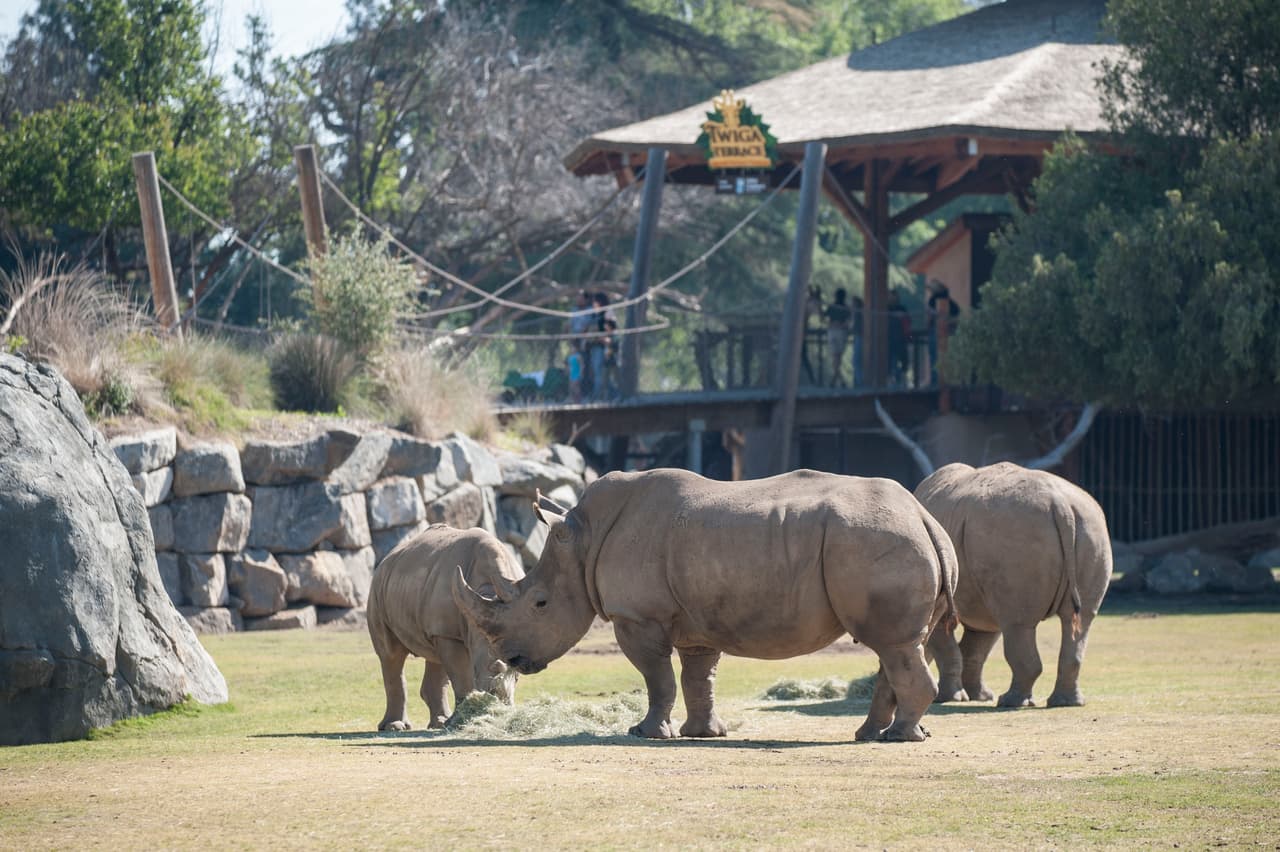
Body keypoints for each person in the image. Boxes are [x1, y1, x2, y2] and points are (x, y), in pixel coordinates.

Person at [926, 279, 960, 386]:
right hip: (945, 334)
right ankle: (940, 381)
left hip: (940, 334)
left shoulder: (935, 301)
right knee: (938, 358)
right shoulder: (950, 302)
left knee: (936, 357)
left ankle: (938, 382)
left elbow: (931, 317)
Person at [587, 292, 615, 401]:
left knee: (601, 372)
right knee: (597, 372)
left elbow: (611, 330)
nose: (593, 303)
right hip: (594, 347)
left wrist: (602, 337)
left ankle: (597, 396)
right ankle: (607, 394)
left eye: (595, 301)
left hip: (603, 347)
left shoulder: (608, 313)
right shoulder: (595, 314)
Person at [823, 288, 853, 387]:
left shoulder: (833, 306)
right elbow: (849, 322)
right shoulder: (846, 308)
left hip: (833, 332)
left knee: (835, 356)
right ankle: (839, 379)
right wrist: (841, 325)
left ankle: (836, 379)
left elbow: (823, 319)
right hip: (841, 333)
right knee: (837, 357)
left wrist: (832, 324)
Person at [569, 290, 595, 396]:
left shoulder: (590, 310)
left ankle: (588, 390)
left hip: (587, 342)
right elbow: (571, 325)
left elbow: (590, 325)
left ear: (586, 299)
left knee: (587, 366)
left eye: (580, 297)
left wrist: (584, 333)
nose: (578, 299)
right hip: (575, 341)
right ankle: (577, 392)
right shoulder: (574, 310)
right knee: (575, 366)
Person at [887, 290, 910, 387]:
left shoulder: (902, 308)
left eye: (894, 296)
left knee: (904, 361)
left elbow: (908, 321)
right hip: (889, 340)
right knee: (890, 362)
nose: (893, 298)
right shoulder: (885, 308)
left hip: (901, 339)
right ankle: (891, 381)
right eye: (891, 296)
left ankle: (902, 380)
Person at [850, 294, 865, 387]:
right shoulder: (856, 314)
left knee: (856, 361)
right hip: (857, 338)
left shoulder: (859, 314)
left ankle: (859, 383)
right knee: (856, 361)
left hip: (860, 338)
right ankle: (858, 382)